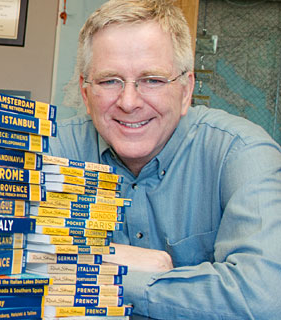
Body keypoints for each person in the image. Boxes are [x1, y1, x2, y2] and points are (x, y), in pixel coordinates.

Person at [48, 0, 281, 318]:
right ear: (85, 94)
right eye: (109, 81)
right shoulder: (53, 149)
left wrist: (118, 278)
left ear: (186, 91)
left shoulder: (240, 153)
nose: (129, 102)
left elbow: (263, 297)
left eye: (152, 80)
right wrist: (110, 257)